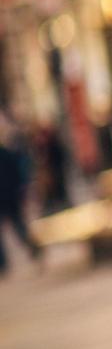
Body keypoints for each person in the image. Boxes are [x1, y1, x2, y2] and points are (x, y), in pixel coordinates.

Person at [0, 111, 40, 275]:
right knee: (19, 225)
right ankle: (31, 246)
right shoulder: (7, 153)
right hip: (11, 196)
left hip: (7, 197)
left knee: (15, 226)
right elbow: (18, 174)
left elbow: (18, 172)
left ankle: (3, 264)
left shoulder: (7, 154)